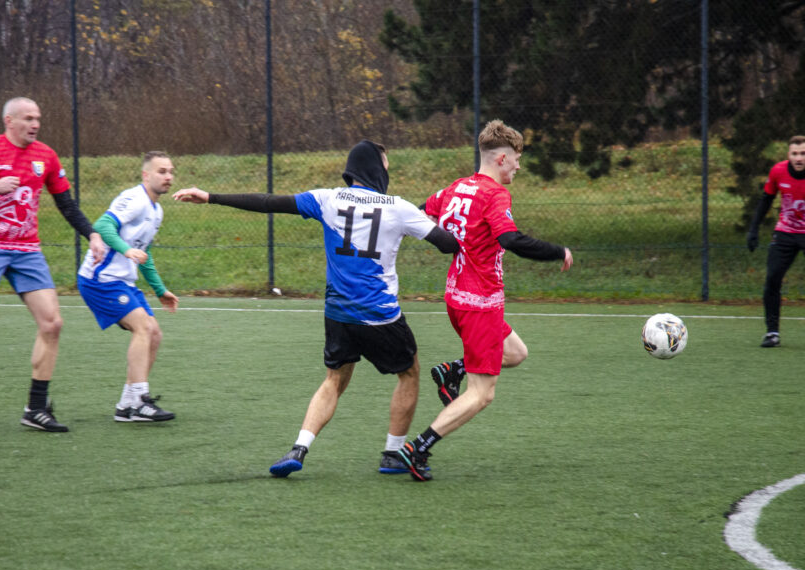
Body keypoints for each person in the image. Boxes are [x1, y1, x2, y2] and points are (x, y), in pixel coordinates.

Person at [173, 140, 458, 477]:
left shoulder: (328, 199)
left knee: (334, 380)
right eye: (386, 165)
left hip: (338, 314)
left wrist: (210, 197)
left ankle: (299, 448)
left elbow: (268, 202)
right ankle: (393, 454)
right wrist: (435, 221)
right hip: (379, 315)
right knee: (409, 373)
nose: (387, 171)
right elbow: (447, 245)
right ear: (375, 168)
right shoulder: (398, 207)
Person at [396, 120, 574, 481]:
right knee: (482, 394)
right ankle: (418, 449)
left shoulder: (457, 187)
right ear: (502, 158)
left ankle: (452, 371)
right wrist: (558, 251)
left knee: (516, 353)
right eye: (517, 160)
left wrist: (445, 240)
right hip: (480, 304)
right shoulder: (495, 194)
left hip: (457, 297)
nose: (518, 167)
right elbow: (511, 239)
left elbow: (419, 211)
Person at [0, 97, 106, 433]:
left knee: (52, 324)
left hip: (26, 250)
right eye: (28, 118)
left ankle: (36, 409)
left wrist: (92, 234)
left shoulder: (45, 156)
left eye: (38, 119)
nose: (35, 125)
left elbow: (66, 204)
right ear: (9, 121)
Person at [77, 151, 179, 422]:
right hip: (100, 280)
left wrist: (160, 290)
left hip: (122, 281)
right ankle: (140, 401)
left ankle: (126, 405)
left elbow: (143, 252)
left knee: (154, 334)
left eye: (171, 172)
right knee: (143, 327)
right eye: (162, 171)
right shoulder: (134, 199)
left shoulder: (157, 211)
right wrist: (125, 250)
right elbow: (102, 225)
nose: (168, 176)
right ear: (146, 175)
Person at [746, 134, 805, 348]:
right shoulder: (778, 171)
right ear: (788, 154)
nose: (799, 158)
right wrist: (753, 229)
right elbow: (766, 200)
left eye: (803, 153)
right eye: (795, 153)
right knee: (772, 278)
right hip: (785, 233)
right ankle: (772, 333)